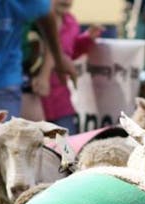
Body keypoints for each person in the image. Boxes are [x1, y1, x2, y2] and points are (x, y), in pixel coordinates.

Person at [37, 0, 101, 135]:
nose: (66, 1)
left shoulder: (71, 22)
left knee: (67, 144)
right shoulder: (35, 21)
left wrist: (87, 39)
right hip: (37, 99)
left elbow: (71, 52)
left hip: (61, 101)